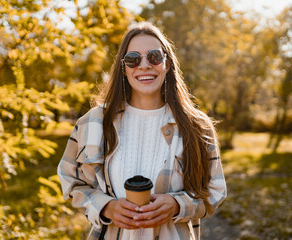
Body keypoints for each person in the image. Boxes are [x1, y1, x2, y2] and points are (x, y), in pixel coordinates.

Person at [58, 21, 226, 240]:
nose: (144, 65)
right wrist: (106, 207)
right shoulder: (93, 122)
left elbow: (215, 190)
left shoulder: (196, 126)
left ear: (166, 64)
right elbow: (71, 181)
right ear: (124, 68)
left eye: (154, 57)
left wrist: (177, 205)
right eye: (133, 59)